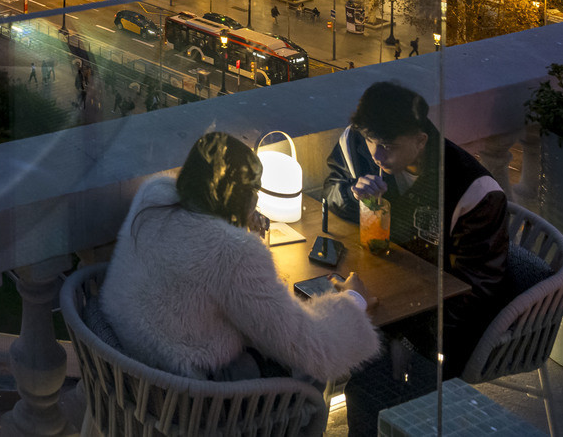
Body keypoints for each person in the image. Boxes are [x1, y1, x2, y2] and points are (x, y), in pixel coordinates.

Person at [101, 132, 379, 384]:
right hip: (191, 396)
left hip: (129, 364)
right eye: (254, 190)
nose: (257, 199)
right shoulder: (233, 254)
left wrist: (233, 218)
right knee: (305, 373)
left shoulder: (154, 196)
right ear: (242, 196)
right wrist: (353, 302)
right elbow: (311, 348)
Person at [325, 81, 509, 384]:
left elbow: (475, 292)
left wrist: (410, 340)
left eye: (388, 146)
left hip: (438, 326)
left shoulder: (472, 190)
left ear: (421, 141)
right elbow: (332, 189)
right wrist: (350, 193)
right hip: (382, 291)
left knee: (368, 381)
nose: (377, 156)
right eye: (372, 141)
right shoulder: (357, 144)